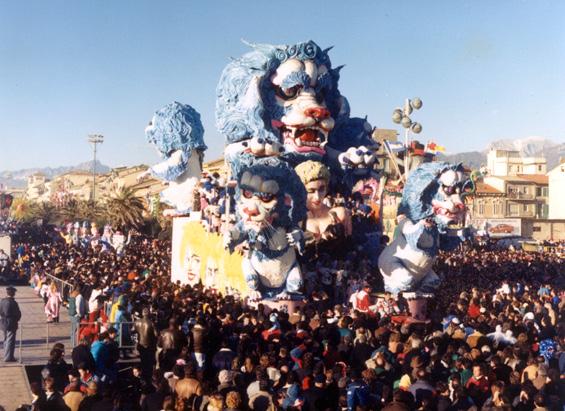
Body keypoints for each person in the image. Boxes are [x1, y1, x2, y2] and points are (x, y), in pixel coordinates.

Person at [134, 307, 158, 382]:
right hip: (149, 345)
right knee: (148, 363)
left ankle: (142, 378)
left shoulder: (137, 322)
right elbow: (156, 334)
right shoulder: (151, 322)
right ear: (149, 314)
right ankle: (147, 379)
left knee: (142, 362)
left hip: (140, 344)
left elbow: (132, 331)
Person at [0, 285, 21, 362]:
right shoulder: (13, 302)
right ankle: (8, 357)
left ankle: (6, 355)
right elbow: (17, 314)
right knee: (10, 340)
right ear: (12, 293)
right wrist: (17, 318)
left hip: (3, 322)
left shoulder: (2, 301)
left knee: (6, 339)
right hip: (11, 322)